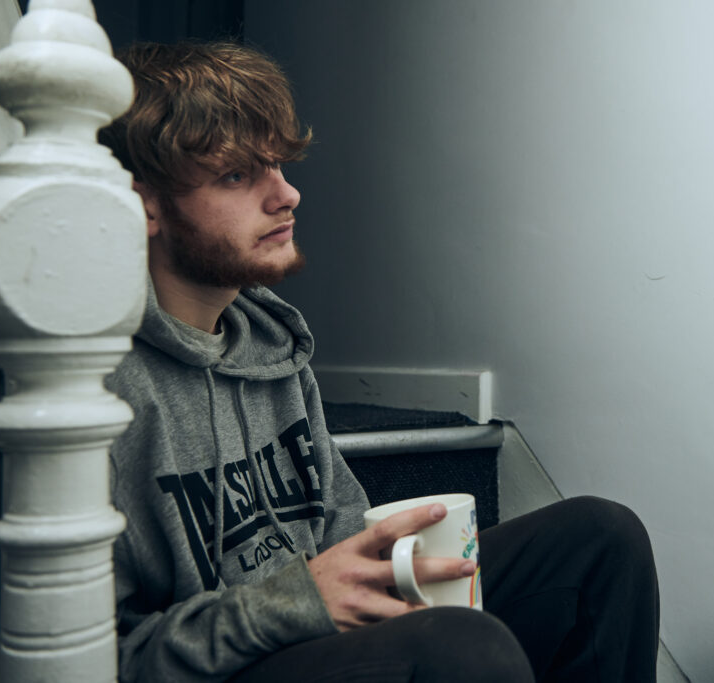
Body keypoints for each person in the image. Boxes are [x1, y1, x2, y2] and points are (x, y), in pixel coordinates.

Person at [98, 40, 659, 683]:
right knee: (462, 648)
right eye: (237, 174)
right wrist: (293, 603)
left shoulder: (272, 347)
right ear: (143, 205)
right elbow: (87, 661)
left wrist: (381, 571)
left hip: (314, 639)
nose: (288, 195)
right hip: (219, 668)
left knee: (599, 537)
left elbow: (340, 541)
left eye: (278, 165)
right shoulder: (93, 397)